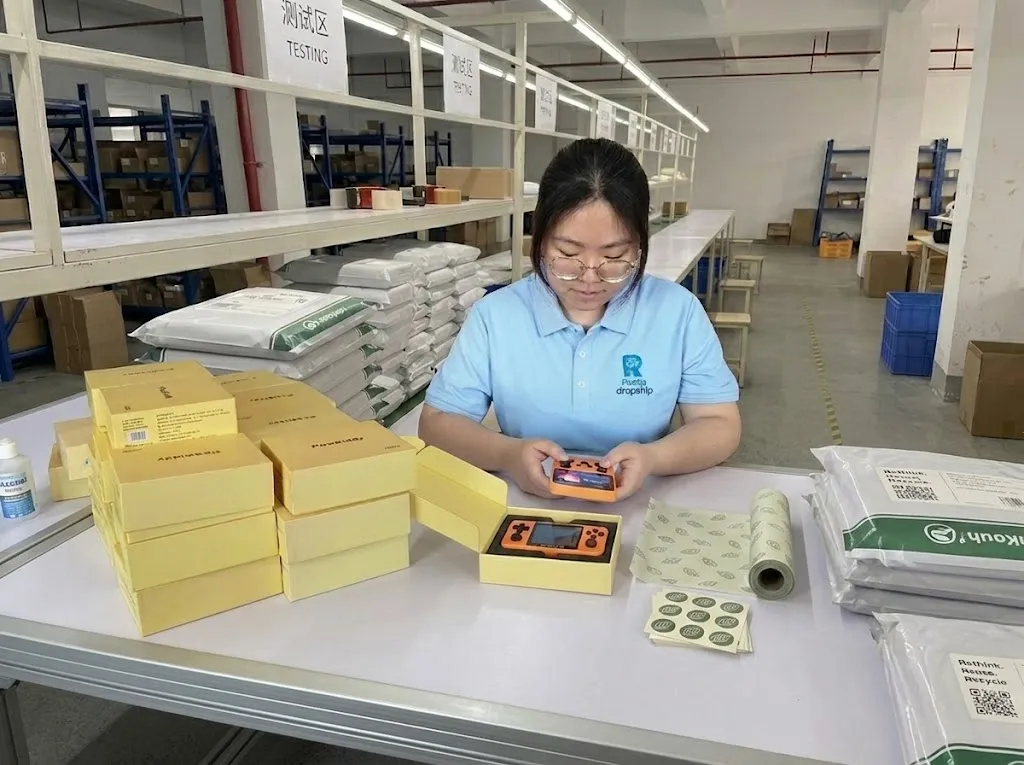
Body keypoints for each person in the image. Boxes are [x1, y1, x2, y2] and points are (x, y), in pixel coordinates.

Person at [418, 138, 741, 500]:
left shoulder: (676, 312)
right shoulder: (497, 316)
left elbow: (719, 425)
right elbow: (437, 424)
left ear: (640, 245)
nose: (590, 276)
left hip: (643, 502)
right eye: (568, 253)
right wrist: (507, 454)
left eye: (614, 255)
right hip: (527, 502)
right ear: (538, 240)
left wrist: (653, 458)